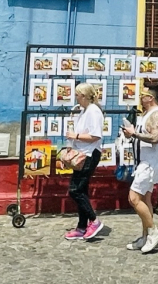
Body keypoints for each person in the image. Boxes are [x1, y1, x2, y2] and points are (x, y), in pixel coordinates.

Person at [121, 84, 158, 253]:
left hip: (150, 164)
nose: (140, 97)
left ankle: (154, 231)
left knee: (133, 198)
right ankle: (145, 236)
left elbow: (155, 138)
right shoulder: (146, 114)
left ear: (151, 98)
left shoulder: (157, 115)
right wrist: (131, 134)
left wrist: (134, 133)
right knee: (145, 200)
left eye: (143, 95)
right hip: (143, 162)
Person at [65, 82, 105, 241]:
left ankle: (94, 220)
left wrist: (74, 136)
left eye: (77, 95)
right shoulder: (84, 111)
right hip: (82, 153)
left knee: (75, 190)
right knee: (82, 190)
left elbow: (95, 136)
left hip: (89, 154)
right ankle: (82, 226)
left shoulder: (94, 111)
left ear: (84, 96)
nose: (76, 98)